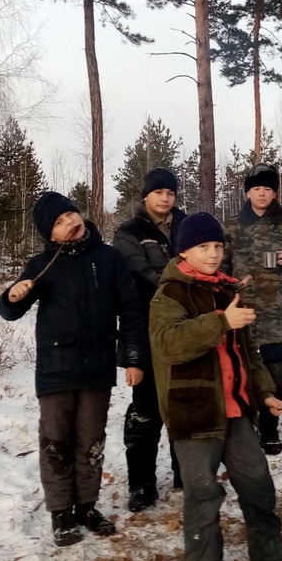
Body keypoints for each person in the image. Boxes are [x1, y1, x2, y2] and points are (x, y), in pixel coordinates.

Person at [149, 212, 282, 561]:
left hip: (237, 411)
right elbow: (169, 344)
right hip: (195, 413)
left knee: (258, 487)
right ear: (184, 251)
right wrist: (220, 322)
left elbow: (249, 355)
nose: (212, 253)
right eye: (203, 247)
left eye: (217, 246)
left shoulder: (228, 291)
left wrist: (265, 394)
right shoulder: (169, 295)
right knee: (203, 496)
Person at [0, 191, 145, 546]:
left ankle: (86, 506)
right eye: (60, 223)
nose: (70, 224)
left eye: (71, 215)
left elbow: (132, 310)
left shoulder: (108, 258)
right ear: (51, 235)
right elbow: (10, 309)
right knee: (56, 441)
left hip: (98, 367)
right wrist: (12, 296)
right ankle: (61, 512)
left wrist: (134, 357)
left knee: (90, 440)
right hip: (56, 368)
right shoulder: (41, 265)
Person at [223, 163, 282, 455]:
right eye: (256, 189)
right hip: (243, 315)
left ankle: (269, 432)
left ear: (274, 192)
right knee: (242, 373)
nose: (262, 194)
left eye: (267, 189)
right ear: (247, 192)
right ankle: (244, 431)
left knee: (276, 376)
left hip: (280, 314)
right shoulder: (231, 226)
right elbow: (218, 265)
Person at [112, 167, 187, 512]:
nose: (165, 198)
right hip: (147, 328)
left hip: (187, 327)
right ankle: (141, 484)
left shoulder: (187, 225)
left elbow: (211, 259)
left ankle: (186, 473)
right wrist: (185, 284)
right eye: (158, 192)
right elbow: (139, 275)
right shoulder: (129, 233)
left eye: (170, 193)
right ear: (145, 196)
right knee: (146, 409)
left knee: (185, 403)